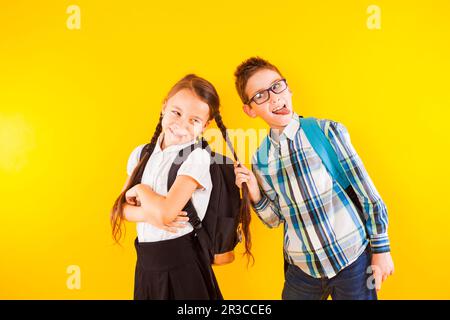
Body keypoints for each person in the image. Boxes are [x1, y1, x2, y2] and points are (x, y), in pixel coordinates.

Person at [233, 57, 394, 300]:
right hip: (303, 269)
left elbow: (366, 192)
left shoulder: (327, 132)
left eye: (277, 86)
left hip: (352, 261)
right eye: (260, 95)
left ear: (288, 88)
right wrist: (254, 191)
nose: (275, 97)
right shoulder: (261, 159)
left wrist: (381, 249)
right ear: (249, 110)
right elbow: (274, 219)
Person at [110, 74, 252, 299]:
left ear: (205, 126)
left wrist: (141, 191)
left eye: (194, 120)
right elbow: (120, 210)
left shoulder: (197, 158)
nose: (182, 124)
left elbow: (167, 213)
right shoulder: (141, 154)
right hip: (146, 263)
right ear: (164, 106)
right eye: (176, 112)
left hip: (184, 265)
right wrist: (154, 213)